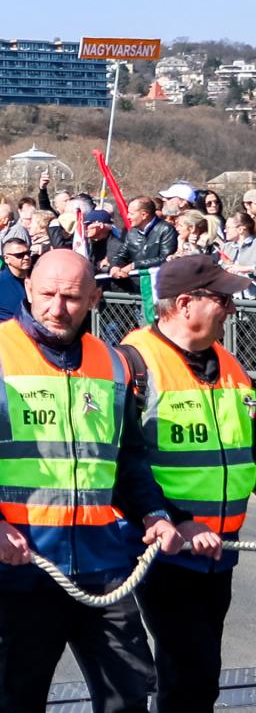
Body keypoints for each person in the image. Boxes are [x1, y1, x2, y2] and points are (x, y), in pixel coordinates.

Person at [0, 249, 186, 713]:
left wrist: (155, 513)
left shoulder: (115, 364)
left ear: (94, 299)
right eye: (47, 294)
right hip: (21, 563)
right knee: (17, 699)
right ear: (27, 290)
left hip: (104, 565)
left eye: (71, 297)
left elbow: (127, 460)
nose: (57, 308)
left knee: (129, 695)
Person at [118, 255, 255, 713]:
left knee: (200, 674)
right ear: (184, 304)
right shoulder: (133, 364)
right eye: (222, 299)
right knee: (187, 672)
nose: (232, 308)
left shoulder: (229, 365)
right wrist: (175, 521)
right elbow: (119, 465)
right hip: (163, 547)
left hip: (221, 549)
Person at [110, 196, 179, 291]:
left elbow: (165, 258)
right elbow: (122, 254)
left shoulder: (166, 229)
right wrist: (115, 266)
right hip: (135, 287)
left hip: (157, 287)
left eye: (131, 213)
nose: (128, 217)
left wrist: (134, 266)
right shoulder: (132, 232)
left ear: (144, 215)